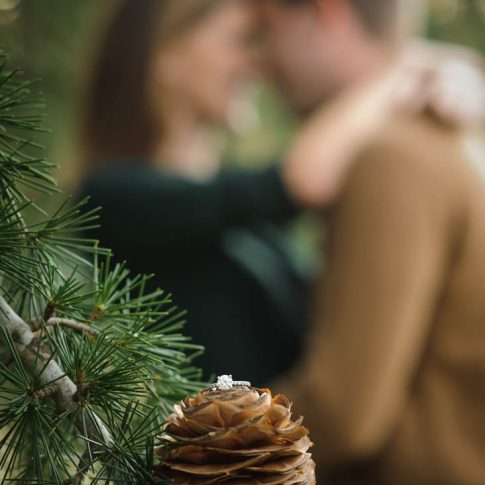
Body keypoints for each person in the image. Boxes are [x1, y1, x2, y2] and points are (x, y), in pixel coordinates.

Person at [78, 0, 411, 386]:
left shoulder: (235, 212)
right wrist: (396, 75)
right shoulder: (110, 198)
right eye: (244, 40)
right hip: (212, 443)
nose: (259, 63)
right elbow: (301, 181)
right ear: (166, 52)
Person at [260, 0, 485, 483]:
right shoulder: (442, 142)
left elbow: (344, 415)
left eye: (266, 30)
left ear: (327, 15)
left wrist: (186, 446)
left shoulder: (394, 158)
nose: (261, 62)